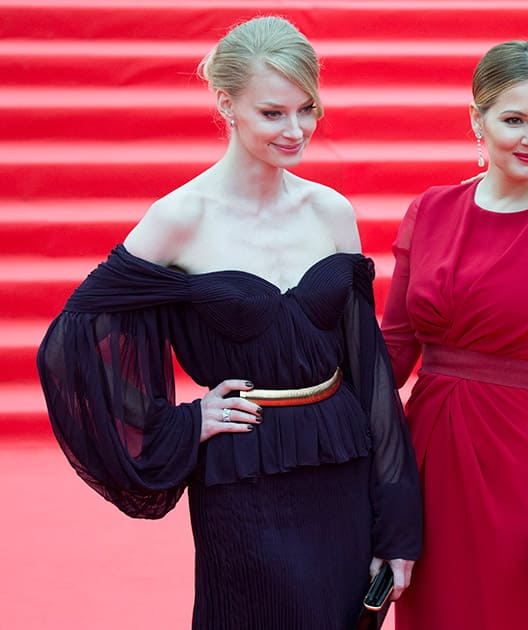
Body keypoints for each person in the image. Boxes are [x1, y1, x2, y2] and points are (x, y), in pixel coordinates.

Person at [36, 16, 421, 630]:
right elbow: (70, 346)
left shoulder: (330, 211)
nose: (296, 131)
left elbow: (367, 369)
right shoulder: (181, 217)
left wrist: (398, 517)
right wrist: (182, 423)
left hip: (341, 473)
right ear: (227, 106)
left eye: (307, 109)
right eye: (273, 113)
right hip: (244, 480)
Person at [380, 40, 528, 630]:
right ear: (477, 120)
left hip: (521, 461)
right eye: (513, 119)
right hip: (427, 452)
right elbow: (390, 351)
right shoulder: (431, 210)